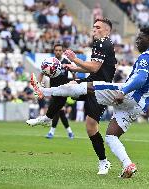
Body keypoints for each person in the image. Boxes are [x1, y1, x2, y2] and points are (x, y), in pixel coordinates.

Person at [31, 26, 149, 178]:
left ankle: (43, 91)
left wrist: (123, 92)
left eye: (140, 38)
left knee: (88, 87)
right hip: (140, 105)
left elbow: (140, 78)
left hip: (130, 95)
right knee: (111, 136)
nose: (137, 42)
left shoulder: (146, 56)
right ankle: (128, 165)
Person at [29, 18, 117, 175]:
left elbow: (95, 67)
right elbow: (95, 69)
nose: (94, 30)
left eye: (98, 27)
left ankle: (104, 162)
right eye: (93, 27)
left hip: (100, 89)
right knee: (69, 87)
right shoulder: (102, 44)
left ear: (106, 30)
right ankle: (47, 113)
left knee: (91, 128)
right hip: (92, 83)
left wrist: (74, 58)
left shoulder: (103, 43)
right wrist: (74, 67)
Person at [26, 44, 74, 139]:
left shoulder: (66, 62)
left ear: (62, 51)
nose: (58, 52)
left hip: (64, 91)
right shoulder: (50, 62)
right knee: (59, 111)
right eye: (56, 50)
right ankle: (68, 132)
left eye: (60, 50)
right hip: (53, 91)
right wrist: (38, 85)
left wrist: (75, 82)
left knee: (58, 111)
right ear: (54, 51)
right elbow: (41, 73)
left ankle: (52, 131)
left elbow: (74, 72)